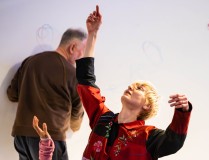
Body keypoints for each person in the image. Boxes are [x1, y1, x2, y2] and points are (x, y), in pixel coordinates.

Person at [33, 5, 192, 160]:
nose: (131, 86)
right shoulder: (102, 118)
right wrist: (93, 34)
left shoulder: (148, 136)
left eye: (139, 88)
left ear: (147, 105)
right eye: (132, 84)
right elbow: (86, 81)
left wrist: (183, 111)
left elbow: (173, 142)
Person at [7, 24, 86, 159]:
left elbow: (12, 94)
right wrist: (75, 126)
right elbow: (77, 112)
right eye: (82, 52)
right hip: (49, 139)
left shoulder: (30, 61)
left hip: (21, 137)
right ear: (72, 47)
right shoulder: (72, 73)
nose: (82, 57)